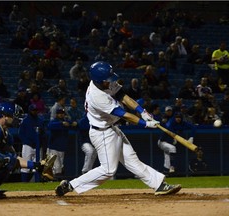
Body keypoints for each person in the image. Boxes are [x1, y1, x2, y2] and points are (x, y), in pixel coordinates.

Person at [55, 61, 181, 197]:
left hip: (112, 128)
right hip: (102, 133)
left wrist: (142, 111)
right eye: (107, 80)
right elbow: (124, 115)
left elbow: (123, 96)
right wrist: (145, 124)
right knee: (108, 169)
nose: (110, 82)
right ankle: (70, 185)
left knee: (132, 160)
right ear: (98, 80)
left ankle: (159, 185)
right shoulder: (96, 96)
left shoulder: (103, 82)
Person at [18, 104, 49, 182]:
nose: (34, 112)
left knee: (38, 166)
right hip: (28, 146)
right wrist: (27, 142)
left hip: (38, 146)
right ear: (29, 111)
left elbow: (43, 134)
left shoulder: (40, 121)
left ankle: (37, 183)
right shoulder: (25, 121)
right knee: (25, 166)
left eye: (35, 110)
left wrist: (41, 144)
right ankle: (24, 183)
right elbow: (21, 134)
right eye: (33, 110)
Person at [47, 108, 77, 177]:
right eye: (60, 113)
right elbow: (50, 126)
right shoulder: (54, 121)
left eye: (62, 113)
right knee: (56, 167)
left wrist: (74, 123)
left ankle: (54, 181)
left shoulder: (66, 122)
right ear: (57, 114)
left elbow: (73, 124)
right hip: (53, 148)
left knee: (60, 167)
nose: (61, 115)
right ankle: (54, 180)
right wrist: (61, 123)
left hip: (62, 148)